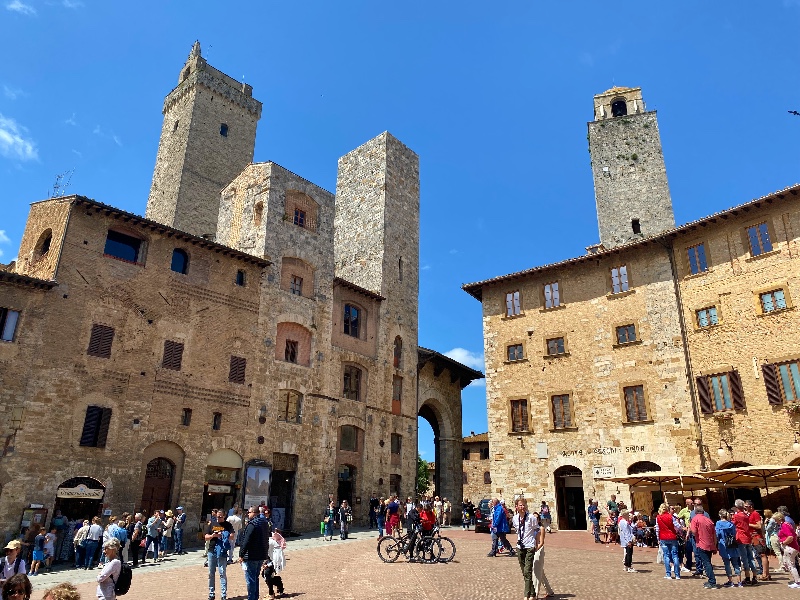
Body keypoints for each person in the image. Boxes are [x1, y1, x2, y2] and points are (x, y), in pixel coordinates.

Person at [238, 507, 268, 600]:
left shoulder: (252, 524)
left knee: (250, 579)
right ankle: (255, 597)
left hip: (251, 555)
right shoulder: (264, 523)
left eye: (249, 512)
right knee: (255, 578)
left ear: (254, 513)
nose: (248, 514)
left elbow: (246, 540)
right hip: (261, 554)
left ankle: (252, 598)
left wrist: (241, 554)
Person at [513, 498, 539, 600]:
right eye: (520, 505)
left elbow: (536, 529)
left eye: (523, 505)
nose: (522, 507)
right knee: (524, 571)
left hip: (529, 547)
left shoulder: (532, 517)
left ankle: (526, 595)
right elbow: (517, 530)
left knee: (527, 570)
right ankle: (533, 593)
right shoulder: (515, 518)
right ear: (516, 507)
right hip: (520, 547)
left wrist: (536, 542)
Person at [206, 509, 233, 600]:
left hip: (222, 551)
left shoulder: (228, 525)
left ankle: (223, 594)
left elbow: (232, 536)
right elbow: (206, 537)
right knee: (211, 573)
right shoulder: (212, 524)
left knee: (222, 573)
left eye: (220, 516)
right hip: (212, 550)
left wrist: (224, 534)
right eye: (217, 516)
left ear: (224, 516)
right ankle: (211, 593)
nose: (218, 518)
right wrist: (213, 536)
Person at [690, 502, 717, 589]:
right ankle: (711, 580)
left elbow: (694, 532)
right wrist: (714, 545)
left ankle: (712, 581)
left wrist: (691, 528)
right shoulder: (709, 520)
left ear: (695, 511)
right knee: (708, 562)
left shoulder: (695, 519)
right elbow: (714, 534)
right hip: (710, 544)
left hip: (701, 544)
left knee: (706, 564)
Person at [731, 499, 757, 585]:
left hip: (741, 538)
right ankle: (754, 576)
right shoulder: (746, 515)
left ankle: (748, 577)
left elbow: (732, 524)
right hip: (748, 538)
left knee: (744, 559)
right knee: (751, 558)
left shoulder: (737, 516)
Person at [716, 509, 743, 588]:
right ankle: (739, 582)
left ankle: (731, 581)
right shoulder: (731, 524)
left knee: (727, 564)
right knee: (736, 564)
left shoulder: (718, 523)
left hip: (724, 546)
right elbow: (735, 533)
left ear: (720, 515)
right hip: (732, 545)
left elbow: (717, 535)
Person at [774, 511, 800, 588]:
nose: (775, 521)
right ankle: (797, 580)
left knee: (791, 565)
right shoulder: (786, 524)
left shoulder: (785, 525)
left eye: (776, 519)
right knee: (786, 563)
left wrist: (784, 542)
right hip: (791, 547)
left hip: (790, 547)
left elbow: (791, 537)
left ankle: (798, 582)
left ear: (779, 519)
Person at [655, 502, 680, 579]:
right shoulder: (671, 517)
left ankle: (668, 574)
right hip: (672, 537)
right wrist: (677, 530)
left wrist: (658, 538)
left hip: (663, 537)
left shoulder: (658, 517)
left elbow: (657, 529)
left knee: (666, 556)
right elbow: (677, 526)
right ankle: (677, 574)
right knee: (675, 555)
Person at [262, 531, 286, 599]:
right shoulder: (267, 541)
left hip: (275, 561)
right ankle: (279, 584)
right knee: (265, 575)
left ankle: (271, 594)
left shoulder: (269, 542)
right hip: (271, 560)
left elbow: (276, 558)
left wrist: (268, 565)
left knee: (267, 575)